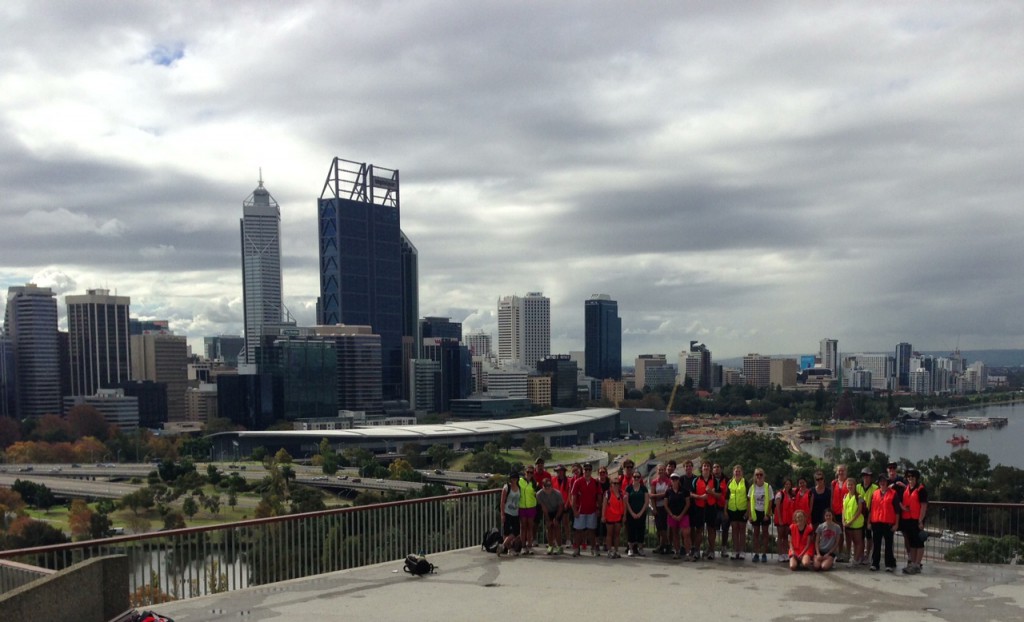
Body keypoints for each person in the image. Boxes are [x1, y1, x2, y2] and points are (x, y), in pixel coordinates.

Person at [899, 468, 929, 574]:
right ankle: (912, 563)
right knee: (911, 542)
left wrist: (921, 521)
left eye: (912, 477)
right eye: (908, 477)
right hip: (908, 519)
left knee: (919, 542)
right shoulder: (906, 489)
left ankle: (917, 564)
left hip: (917, 520)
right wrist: (902, 507)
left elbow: (924, 506)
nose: (910, 479)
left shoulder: (921, 490)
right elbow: (902, 501)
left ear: (916, 478)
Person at [570, 463, 602, 557]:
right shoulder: (578, 482)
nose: (587, 471)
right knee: (578, 531)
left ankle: (593, 548)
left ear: (591, 471)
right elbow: (573, 497)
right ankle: (576, 549)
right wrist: (574, 511)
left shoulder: (596, 482)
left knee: (592, 531)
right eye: (585, 469)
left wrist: (598, 509)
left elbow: (599, 497)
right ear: (583, 471)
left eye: (589, 469)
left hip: (592, 511)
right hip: (580, 511)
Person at [869, 475, 900, 572]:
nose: (882, 483)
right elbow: (871, 509)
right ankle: (875, 563)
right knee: (876, 544)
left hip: (888, 523)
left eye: (884, 481)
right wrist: (869, 522)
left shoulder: (893, 493)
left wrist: (896, 524)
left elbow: (897, 511)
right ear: (878, 483)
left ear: (887, 482)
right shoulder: (874, 494)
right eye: (880, 481)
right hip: (876, 522)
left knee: (888, 545)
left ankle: (889, 564)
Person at [693, 462, 719, 560]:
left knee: (711, 530)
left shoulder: (715, 481)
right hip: (699, 508)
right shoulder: (696, 480)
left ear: (710, 469)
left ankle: (711, 551)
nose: (706, 468)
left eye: (708, 466)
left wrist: (711, 492)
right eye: (705, 466)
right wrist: (700, 497)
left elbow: (719, 495)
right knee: (698, 530)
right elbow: (691, 494)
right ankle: (697, 550)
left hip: (711, 507)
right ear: (702, 468)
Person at [747, 468, 773, 563]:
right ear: (755, 476)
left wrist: (767, 514)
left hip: (764, 512)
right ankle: (756, 553)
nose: (759, 476)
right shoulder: (752, 487)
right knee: (756, 534)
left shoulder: (768, 487)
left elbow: (770, 501)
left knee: (765, 534)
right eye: (757, 474)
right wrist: (749, 515)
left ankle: (764, 554)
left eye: (760, 474)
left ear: (764, 476)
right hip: (755, 512)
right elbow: (749, 502)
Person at [665, 471, 691, 559]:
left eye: (676, 479)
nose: (674, 480)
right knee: (675, 534)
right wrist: (671, 515)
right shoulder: (668, 491)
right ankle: (677, 551)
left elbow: (687, 504)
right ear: (670, 480)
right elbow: (665, 504)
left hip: (683, 515)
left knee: (686, 534)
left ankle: (688, 553)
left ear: (678, 480)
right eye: (672, 479)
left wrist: (681, 515)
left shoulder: (684, 491)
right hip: (672, 515)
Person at [625, 471, 651, 557]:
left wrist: (640, 513)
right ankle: (630, 548)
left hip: (641, 513)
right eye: (635, 477)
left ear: (640, 478)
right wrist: (632, 513)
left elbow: (646, 501)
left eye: (638, 477)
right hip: (631, 513)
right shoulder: (628, 488)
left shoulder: (644, 488)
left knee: (641, 530)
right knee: (631, 530)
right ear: (632, 477)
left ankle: (640, 548)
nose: (636, 478)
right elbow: (627, 502)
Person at [725, 464, 749, 560]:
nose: (737, 473)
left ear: (742, 473)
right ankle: (735, 551)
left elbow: (748, 498)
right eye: (736, 471)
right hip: (732, 509)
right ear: (733, 472)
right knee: (734, 530)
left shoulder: (745, 482)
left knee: (742, 530)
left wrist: (748, 511)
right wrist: (725, 510)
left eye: (739, 471)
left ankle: (742, 551)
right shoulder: (730, 482)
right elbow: (726, 498)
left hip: (742, 509)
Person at [536, 476, 564, 555]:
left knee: (556, 526)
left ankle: (559, 547)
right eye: (546, 486)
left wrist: (556, 518)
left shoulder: (557, 493)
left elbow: (561, 507)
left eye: (549, 486)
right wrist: (548, 519)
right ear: (542, 486)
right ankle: (550, 546)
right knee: (549, 527)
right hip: (548, 511)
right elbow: (543, 508)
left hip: (557, 510)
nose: (548, 488)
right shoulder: (539, 494)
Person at [856, 467, 878, 566]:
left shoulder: (875, 488)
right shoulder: (857, 487)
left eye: (868, 476)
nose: (866, 478)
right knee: (860, 537)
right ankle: (860, 554)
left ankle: (867, 555)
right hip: (859, 515)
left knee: (869, 536)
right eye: (865, 476)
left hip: (870, 514)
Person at [841, 476, 866, 565]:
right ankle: (851, 557)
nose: (850, 486)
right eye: (848, 485)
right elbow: (843, 509)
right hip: (847, 523)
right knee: (849, 541)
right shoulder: (845, 496)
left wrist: (850, 521)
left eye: (851, 485)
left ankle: (856, 559)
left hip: (856, 524)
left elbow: (859, 511)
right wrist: (843, 520)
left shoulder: (859, 497)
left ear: (855, 485)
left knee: (857, 542)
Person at [649, 463, 671, 554]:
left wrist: (657, 496)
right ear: (657, 471)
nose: (661, 471)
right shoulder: (654, 482)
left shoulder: (669, 481)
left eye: (662, 469)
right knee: (659, 528)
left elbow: (668, 495)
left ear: (664, 470)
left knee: (664, 528)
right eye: (659, 470)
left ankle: (664, 546)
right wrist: (654, 509)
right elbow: (651, 496)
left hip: (665, 507)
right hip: (657, 507)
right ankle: (665, 545)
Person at [602, 474, 626, 558]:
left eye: (617, 483)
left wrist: (624, 516)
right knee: (609, 534)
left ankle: (616, 550)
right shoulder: (607, 493)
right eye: (614, 483)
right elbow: (604, 505)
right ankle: (609, 551)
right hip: (609, 517)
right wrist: (603, 516)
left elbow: (625, 505)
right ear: (611, 484)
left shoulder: (622, 493)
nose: (616, 485)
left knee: (617, 535)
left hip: (618, 517)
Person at [830, 464, 850, 562]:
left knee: (848, 534)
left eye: (843, 470)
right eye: (839, 471)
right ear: (837, 472)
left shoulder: (849, 482)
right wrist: (831, 510)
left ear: (846, 471)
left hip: (847, 512)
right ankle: (838, 553)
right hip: (836, 511)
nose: (841, 472)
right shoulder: (834, 483)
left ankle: (847, 554)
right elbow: (832, 497)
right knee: (838, 533)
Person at [498, 473, 521, 556]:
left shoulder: (519, 488)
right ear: (510, 479)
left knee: (516, 531)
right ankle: (509, 549)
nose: (514, 479)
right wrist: (502, 514)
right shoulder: (506, 487)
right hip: (507, 512)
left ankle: (502, 546)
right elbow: (502, 502)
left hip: (516, 513)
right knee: (506, 532)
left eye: (516, 478)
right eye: (513, 478)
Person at [773, 478, 795, 563]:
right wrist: (780, 519)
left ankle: (785, 553)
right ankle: (780, 554)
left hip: (788, 519)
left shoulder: (791, 494)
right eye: (786, 484)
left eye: (789, 484)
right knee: (780, 536)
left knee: (786, 537)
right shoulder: (780, 494)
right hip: (781, 519)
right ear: (784, 485)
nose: (788, 485)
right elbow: (777, 507)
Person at [518, 466, 539, 554]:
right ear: (525, 472)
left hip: (531, 506)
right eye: (528, 472)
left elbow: (537, 495)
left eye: (531, 472)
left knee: (530, 527)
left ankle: (529, 545)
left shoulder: (535, 483)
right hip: (522, 506)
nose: (529, 474)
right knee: (523, 527)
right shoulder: (520, 481)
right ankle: (523, 546)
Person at [596, 465, 611, 551]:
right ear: (598, 473)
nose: (602, 474)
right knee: (597, 525)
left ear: (606, 474)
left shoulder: (609, 483)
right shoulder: (596, 482)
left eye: (603, 472)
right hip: (598, 506)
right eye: (600, 472)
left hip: (607, 507)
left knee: (606, 526)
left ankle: (605, 543)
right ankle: (597, 543)